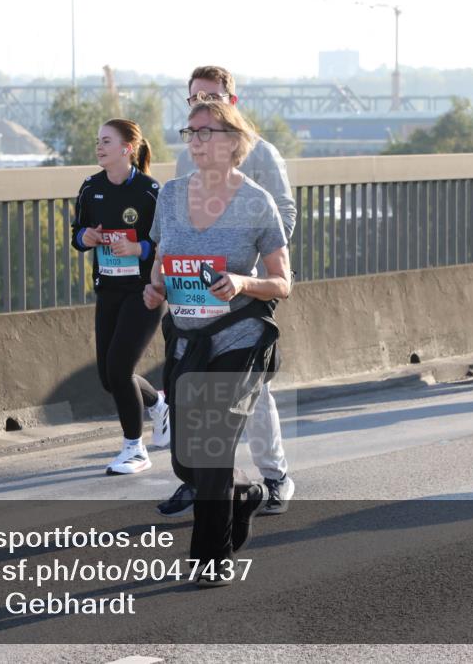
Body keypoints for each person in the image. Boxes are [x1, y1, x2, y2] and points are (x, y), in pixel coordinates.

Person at [144, 100, 292, 586]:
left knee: (211, 446)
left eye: (205, 132)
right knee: (188, 458)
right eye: (191, 133)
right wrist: (155, 288)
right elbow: (162, 259)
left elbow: (282, 282)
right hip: (187, 335)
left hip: (240, 338)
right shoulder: (169, 196)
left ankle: (213, 557)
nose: (196, 141)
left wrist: (241, 282)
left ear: (233, 140)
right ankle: (243, 493)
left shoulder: (256, 202)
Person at [70, 119, 170, 474]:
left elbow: (165, 242)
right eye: (98, 141)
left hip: (144, 291)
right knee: (108, 378)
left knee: (120, 367)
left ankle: (135, 449)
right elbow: (77, 234)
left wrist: (137, 247)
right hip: (108, 289)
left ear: (127, 148)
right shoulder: (90, 187)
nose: (99, 147)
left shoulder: (149, 191)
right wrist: (89, 238)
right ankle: (158, 404)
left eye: (107, 141)